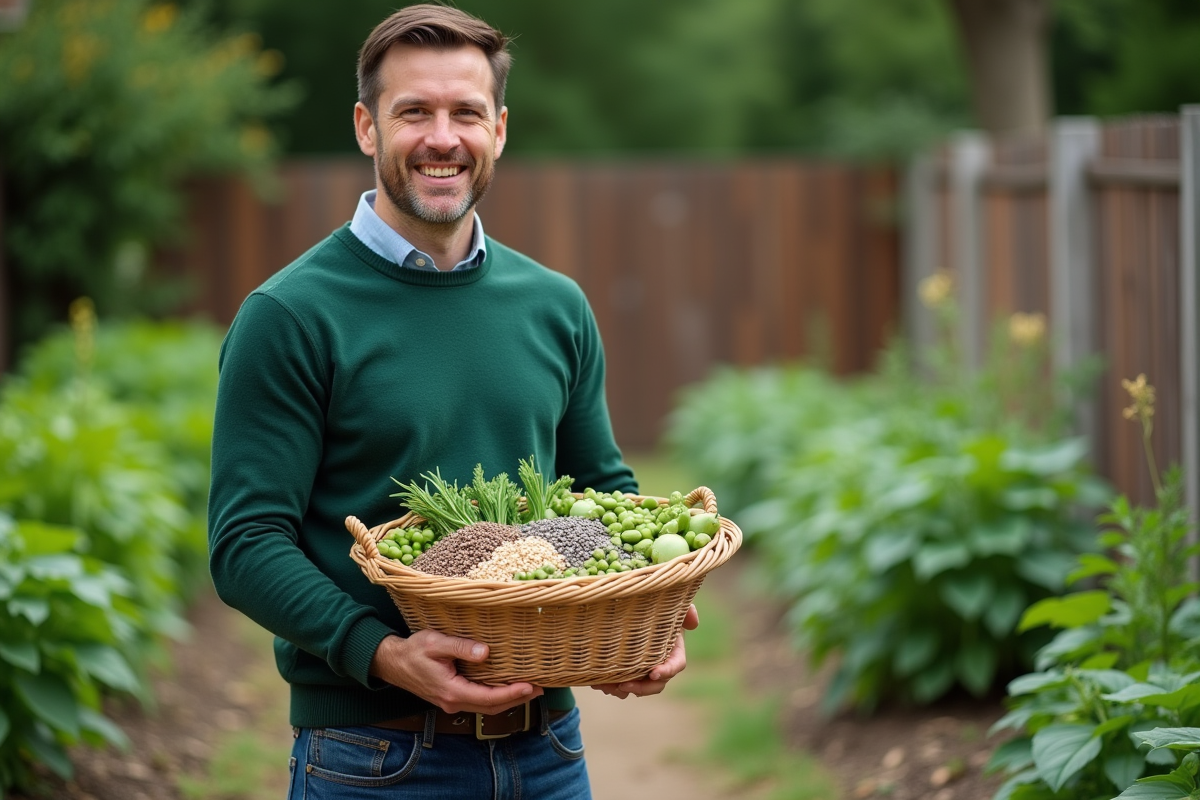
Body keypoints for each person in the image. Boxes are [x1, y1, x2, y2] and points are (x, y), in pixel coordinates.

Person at [206, 5, 699, 798]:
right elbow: (244, 544)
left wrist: (647, 614)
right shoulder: (291, 316)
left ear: (499, 129)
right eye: (414, 112)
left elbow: (603, 492)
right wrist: (382, 652)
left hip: (549, 753)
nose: (444, 138)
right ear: (368, 127)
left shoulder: (554, 305)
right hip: (375, 757)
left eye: (466, 112)